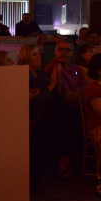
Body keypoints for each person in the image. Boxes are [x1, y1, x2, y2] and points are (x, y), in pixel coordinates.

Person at [18, 44, 61, 189]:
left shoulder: (41, 74)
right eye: (34, 54)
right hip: (34, 120)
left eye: (38, 54)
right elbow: (37, 100)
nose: (38, 56)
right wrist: (52, 84)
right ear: (26, 57)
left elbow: (52, 96)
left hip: (46, 117)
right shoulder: (23, 76)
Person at [43, 38, 86, 179]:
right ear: (55, 51)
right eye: (60, 50)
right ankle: (64, 167)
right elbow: (66, 96)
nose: (63, 53)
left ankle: (81, 163)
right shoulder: (52, 68)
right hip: (61, 110)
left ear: (72, 53)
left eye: (67, 50)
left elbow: (85, 87)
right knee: (71, 121)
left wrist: (83, 94)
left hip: (78, 106)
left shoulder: (75, 68)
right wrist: (83, 95)